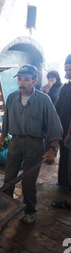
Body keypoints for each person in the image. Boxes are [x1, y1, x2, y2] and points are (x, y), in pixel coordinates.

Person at [0, 64, 63, 225]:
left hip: (35, 144)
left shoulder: (43, 99)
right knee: (9, 178)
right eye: (19, 79)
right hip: (16, 141)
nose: (22, 83)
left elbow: (54, 125)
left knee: (28, 181)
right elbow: (6, 122)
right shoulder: (12, 98)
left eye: (26, 80)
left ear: (34, 80)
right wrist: (0, 140)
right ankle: (6, 207)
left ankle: (30, 210)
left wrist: (52, 148)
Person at [55, 54, 71, 189]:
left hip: (69, 130)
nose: (67, 73)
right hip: (63, 127)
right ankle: (63, 182)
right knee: (64, 156)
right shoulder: (65, 87)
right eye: (66, 69)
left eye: (70, 69)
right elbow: (58, 107)